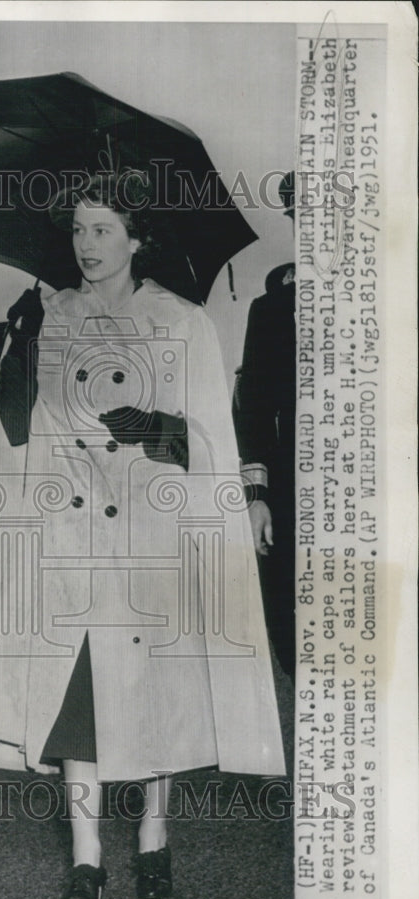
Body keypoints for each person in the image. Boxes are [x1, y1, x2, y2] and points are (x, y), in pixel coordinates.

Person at [0, 172, 285, 899]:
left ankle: (153, 833)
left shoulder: (181, 322)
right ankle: (85, 859)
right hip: (71, 538)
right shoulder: (50, 317)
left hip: (150, 537)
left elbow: (207, 432)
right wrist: (22, 353)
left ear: (138, 239)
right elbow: (22, 432)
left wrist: (148, 427)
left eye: (103, 230)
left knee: (152, 695)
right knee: (75, 697)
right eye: (77, 230)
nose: (86, 246)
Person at [233, 172, 296, 680]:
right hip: (292, 491)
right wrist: (256, 496)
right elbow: (250, 407)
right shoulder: (273, 311)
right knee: (290, 619)